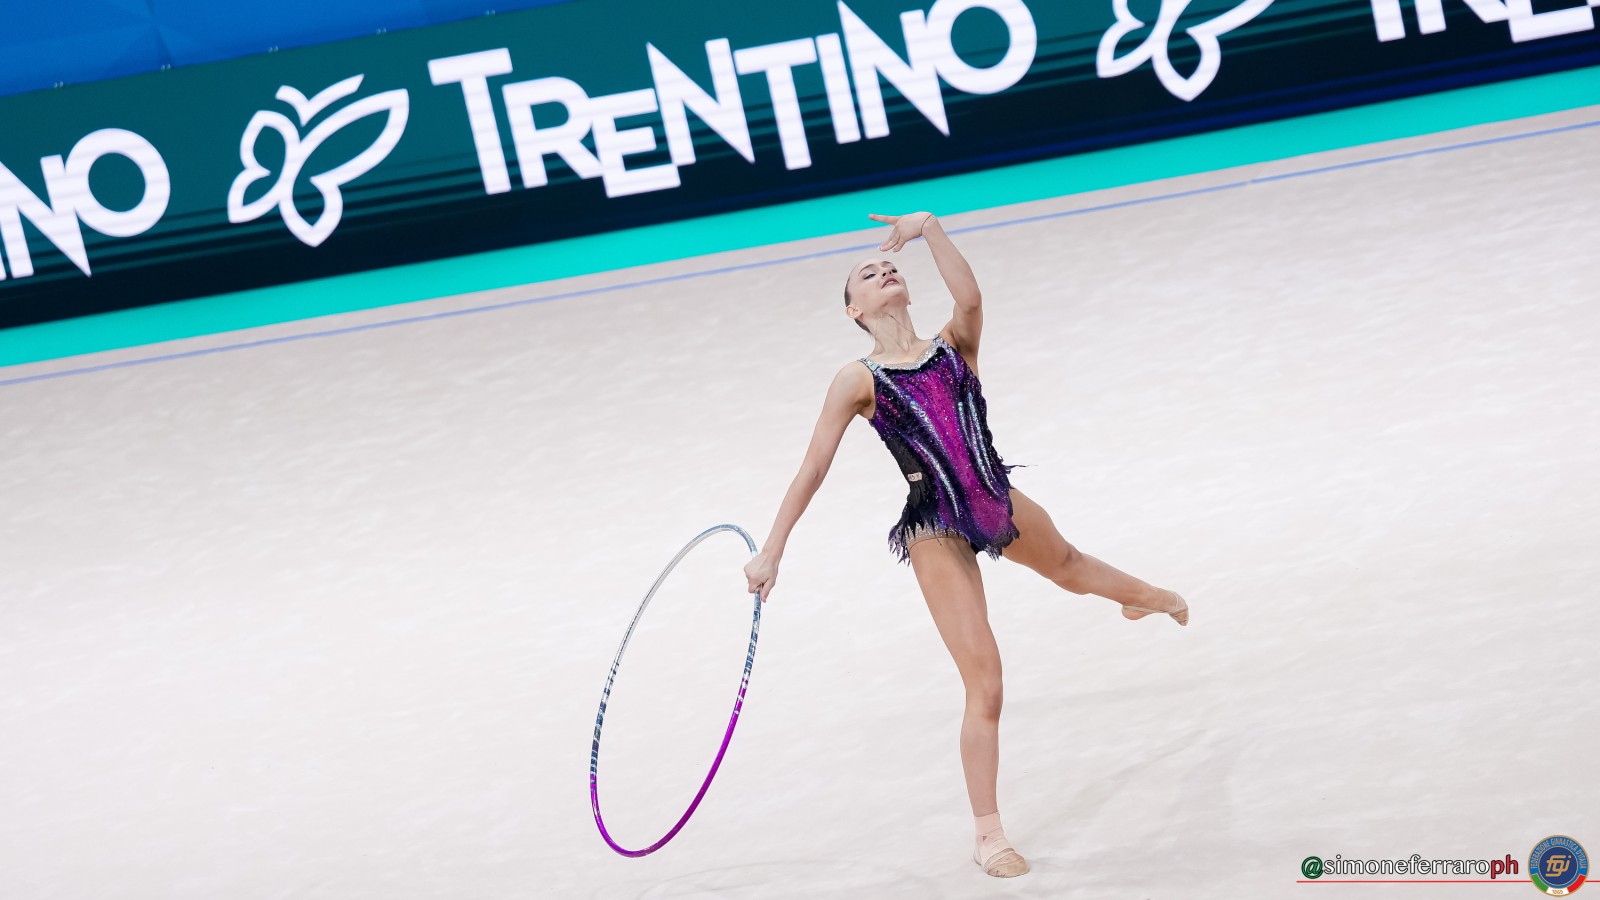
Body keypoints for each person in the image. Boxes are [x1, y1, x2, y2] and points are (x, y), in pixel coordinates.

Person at [742, 210, 1189, 878]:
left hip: (991, 493)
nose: (884, 271)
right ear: (853, 310)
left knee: (1070, 566)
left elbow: (971, 297)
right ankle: (989, 836)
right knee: (987, 683)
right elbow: (813, 467)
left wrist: (930, 228)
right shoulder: (857, 379)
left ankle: (1144, 596)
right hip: (936, 526)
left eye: (890, 266)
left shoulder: (955, 344)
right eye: (868, 274)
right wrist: (773, 549)